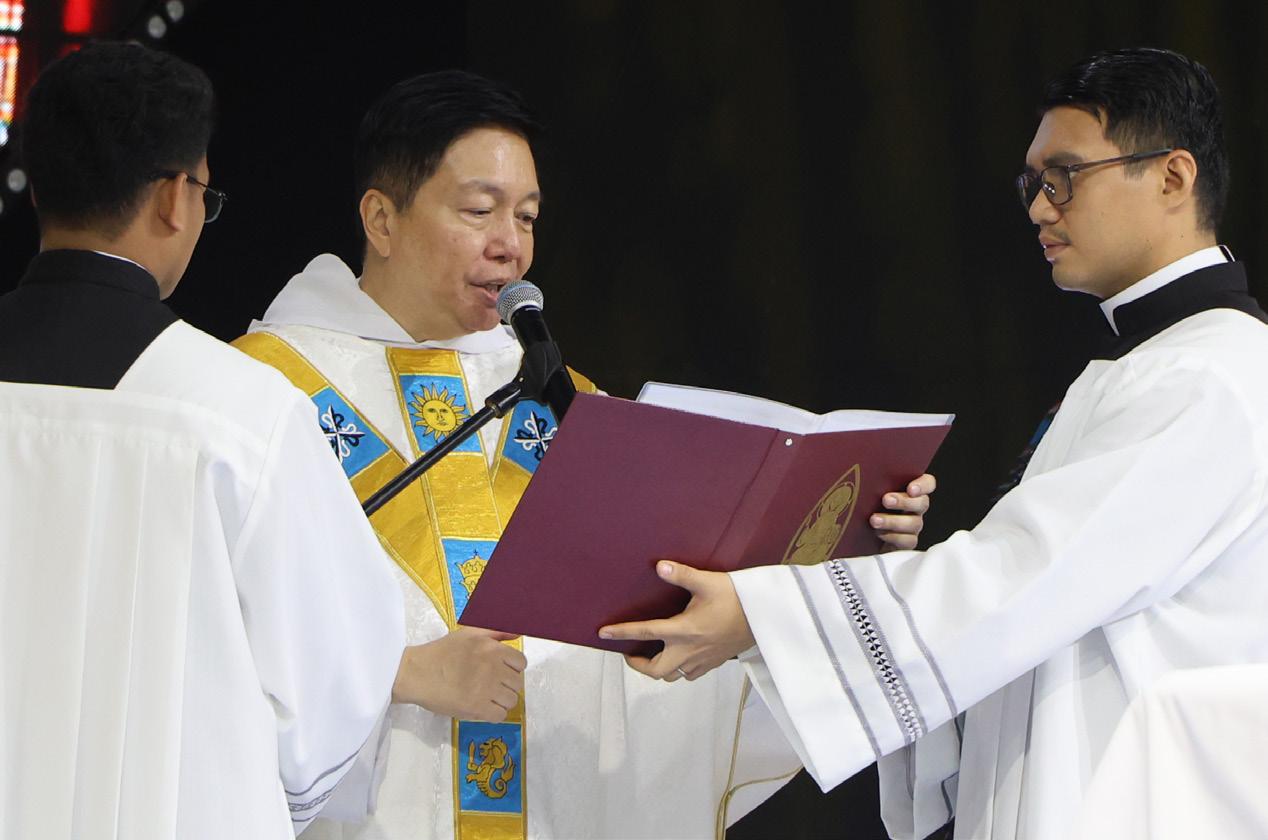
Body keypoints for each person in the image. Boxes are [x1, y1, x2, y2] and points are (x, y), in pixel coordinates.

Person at [234, 69, 936, 839]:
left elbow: (651, 656)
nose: (510, 246)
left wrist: (840, 551)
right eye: (479, 210)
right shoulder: (261, 393)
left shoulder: (560, 400)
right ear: (381, 218)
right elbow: (204, 629)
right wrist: (397, 675)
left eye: (527, 217)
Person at [600, 47, 1268, 840]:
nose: (1040, 209)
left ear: (1172, 177)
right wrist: (876, 560)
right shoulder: (1155, 368)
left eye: (1064, 177)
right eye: (1032, 184)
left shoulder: (1209, 376)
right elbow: (1027, 614)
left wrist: (765, 614)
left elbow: (1020, 578)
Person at [0, 42, 522, 839]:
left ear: (38, 185)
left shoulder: (243, 403)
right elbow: (318, 712)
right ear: (174, 199)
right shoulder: (241, 408)